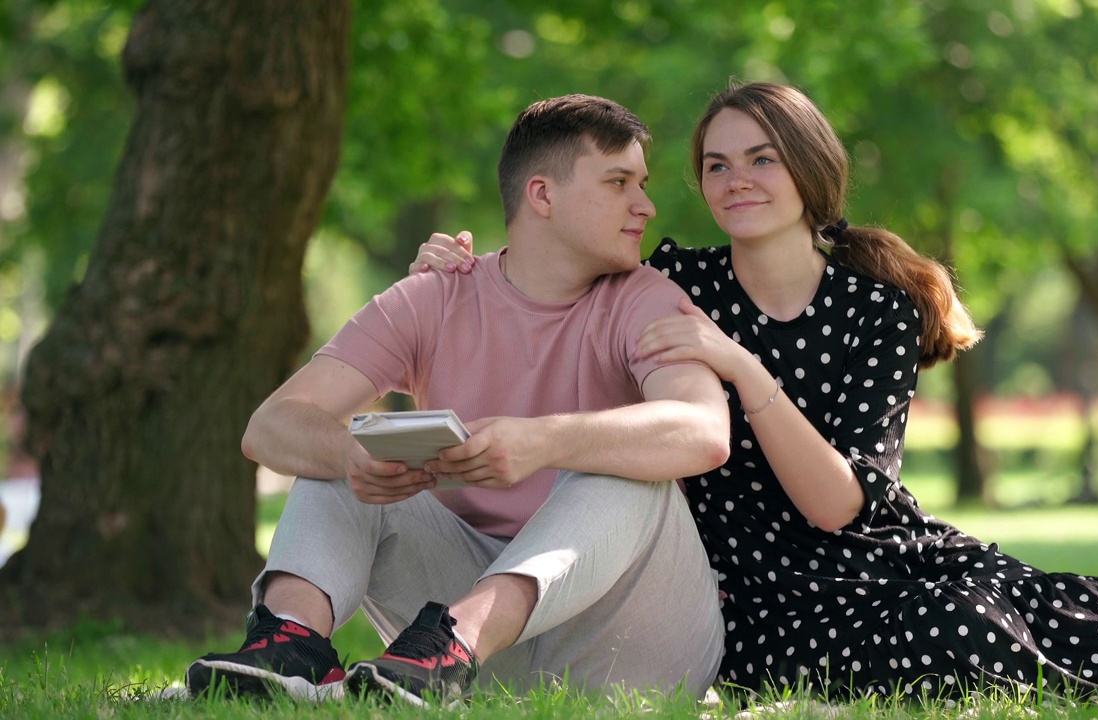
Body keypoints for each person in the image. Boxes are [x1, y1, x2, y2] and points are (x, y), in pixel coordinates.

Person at [410, 81, 1098, 702]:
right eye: (716, 164)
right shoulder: (675, 281)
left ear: (809, 171)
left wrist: (741, 365)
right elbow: (543, 285)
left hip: (866, 557)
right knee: (965, 628)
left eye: (761, 159)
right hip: (738, 590)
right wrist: (455, 277)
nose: (736, 178)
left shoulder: (877, 310)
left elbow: (838, 505)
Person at [185, 94, 731, 705]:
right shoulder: (433, 296)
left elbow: (704, 430)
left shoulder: (645, 298)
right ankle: (289, 648)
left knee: (621, 468)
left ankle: (456, 641)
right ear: (543, 195)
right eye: (618, 182)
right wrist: (353, 458)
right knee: (342, 457)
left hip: (634, 642)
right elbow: (270, 427)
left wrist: (544, 440)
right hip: (469, 653)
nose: (645, 205)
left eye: (643, 183)